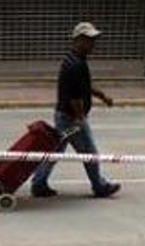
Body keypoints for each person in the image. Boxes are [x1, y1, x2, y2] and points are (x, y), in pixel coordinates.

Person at [31, 22, 120, 200]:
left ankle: (38, 183)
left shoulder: (75, 60)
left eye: (94, 40)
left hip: (64, 115)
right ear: (78, 40)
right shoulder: (75, 65)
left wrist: (102, 96)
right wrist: (80, 118)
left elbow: (85, 86)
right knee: (89, 152)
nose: (93, 44)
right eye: (89, 40)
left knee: (55, 151)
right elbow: (75, 96)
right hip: (71, 117)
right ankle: (99, 186)